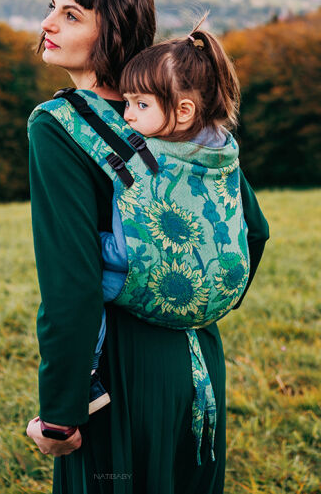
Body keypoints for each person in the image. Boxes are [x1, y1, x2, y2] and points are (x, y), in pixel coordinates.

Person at [26, 0, 269, 494]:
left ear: (109, 31)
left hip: (119, 374)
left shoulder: (57, 126)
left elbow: (72, 284)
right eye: (52, 9)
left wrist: (61, 412)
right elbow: (253, 229)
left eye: (70, 15)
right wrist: (193, 300)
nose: (47, 24)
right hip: (200, 360)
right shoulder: (172, 114)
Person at [90, 21, 249, 428]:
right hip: (221, 285)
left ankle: (86, 376)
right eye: (127, 102)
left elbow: (128, 250)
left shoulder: (151, 161)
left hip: (153, 276)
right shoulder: (219, 147)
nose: (126, 115)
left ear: (182, 111)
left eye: (140, 105)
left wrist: (90, 240)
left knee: (82, 285)